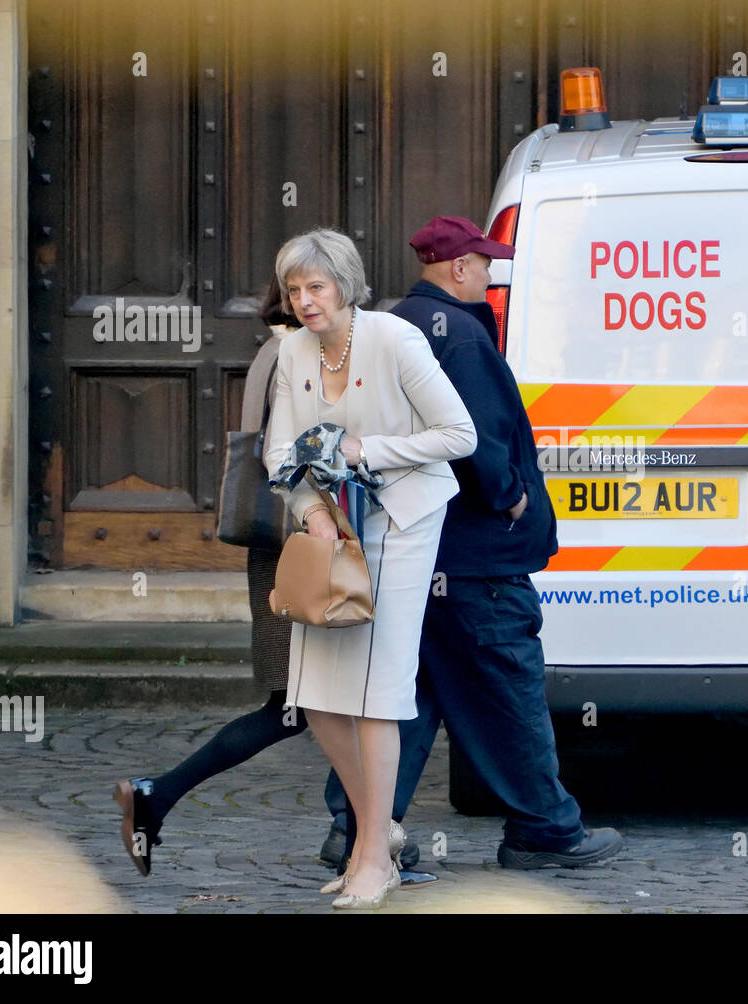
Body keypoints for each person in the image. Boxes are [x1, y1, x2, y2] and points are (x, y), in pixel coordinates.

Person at [382, 215, 623, 869]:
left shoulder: (398, 325)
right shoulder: (459, 335)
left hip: (423, 551)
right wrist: (511, 496)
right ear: (458, 267)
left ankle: (358, 829)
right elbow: (474, 436)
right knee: (509, 688)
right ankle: (545, 830)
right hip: (476, 555)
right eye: (484, 265)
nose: (489, 277)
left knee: (410, 697)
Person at [265, 228, 476, 909]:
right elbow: (279, 453)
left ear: (345, 285)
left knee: (378, 691)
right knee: (319, 694)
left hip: (404, 521)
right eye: (294, 289)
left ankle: (373, 859)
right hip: (332, 529)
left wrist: (365, 450)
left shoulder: (395, 339)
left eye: (317, 287)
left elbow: (460, 435)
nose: (305, 301)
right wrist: (311, 512)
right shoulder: (291, 350)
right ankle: (376, 834)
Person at [114, 277, 309, 877]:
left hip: (284, 550)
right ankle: (365, 838)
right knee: (305, 706)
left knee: (308, 707)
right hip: (301, 552)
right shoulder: (295, 354)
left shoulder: (273, 349)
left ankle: (158, 796)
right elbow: (293, 457)